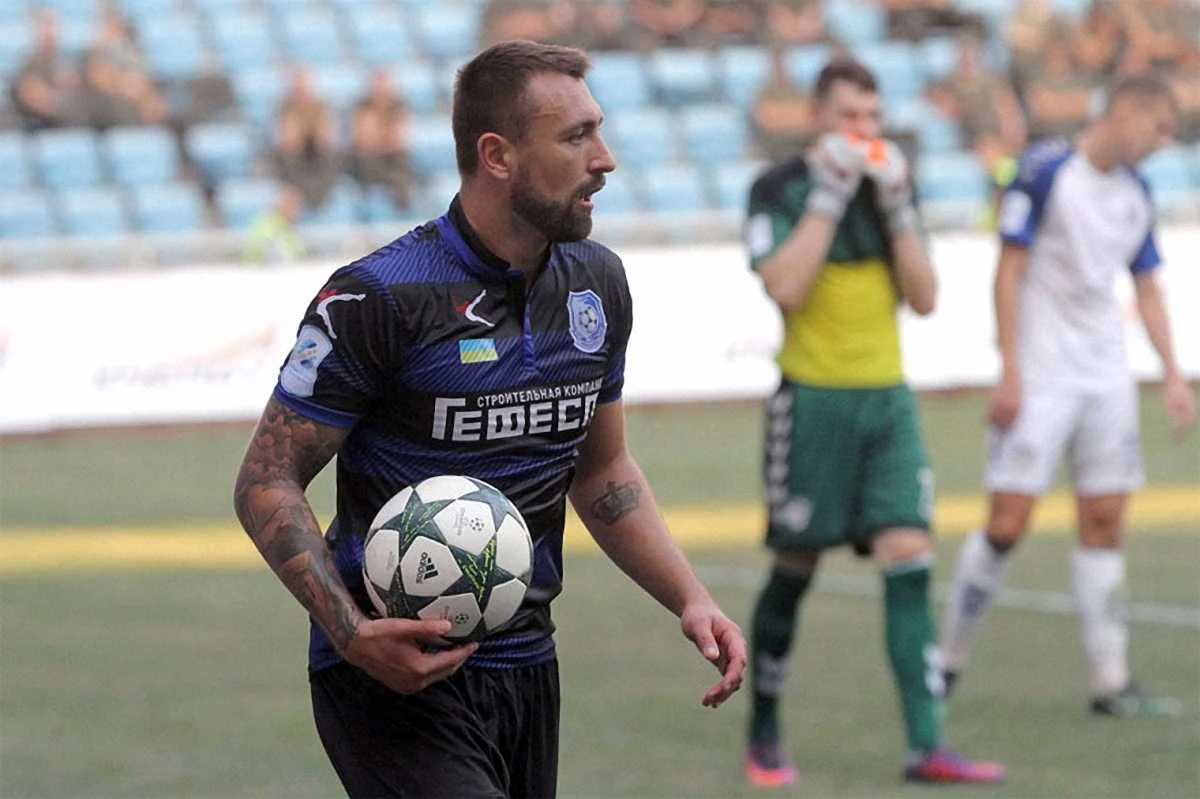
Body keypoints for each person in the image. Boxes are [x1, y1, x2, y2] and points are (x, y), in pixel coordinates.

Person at [232, 40, 746, 799]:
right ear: (497, 155)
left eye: (599, 132)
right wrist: (351, 632)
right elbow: (266, 479)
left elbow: (602, 471)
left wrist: (690, 596)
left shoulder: (598, 283)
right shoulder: (380, 296)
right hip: (388, 678)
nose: (604, 160)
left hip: (528, 664)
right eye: (576, 137)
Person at [741, 56, 1006, 787]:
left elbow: (924, 297)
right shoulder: (778, 188)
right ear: (815, 119)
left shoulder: (894, 182)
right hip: (813, 402)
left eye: (873, 118)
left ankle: (927, 744)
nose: (863, 132)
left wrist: (895, 208)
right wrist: (829, 196)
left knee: (910, 555)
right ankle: (763, 728)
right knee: (795, 567)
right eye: (848, 117)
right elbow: (786, 287)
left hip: (888, 402)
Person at [939, 73, 1196, 718]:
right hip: (1042, 374)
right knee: (1007, 523)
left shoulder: (1135, 191)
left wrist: (1172, 373)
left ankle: (1111, 681)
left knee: (1105, 521)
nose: (1164, 142)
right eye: (1160, 126)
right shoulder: (1046, 171)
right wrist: (1010, 370)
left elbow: (1146, 284)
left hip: (1105, 377)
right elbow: (1008, 271)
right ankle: (946, 660)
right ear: (1126, 112)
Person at [271, 64, 341, 209]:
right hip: (294, 157)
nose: (301, 88)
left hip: (316, 154)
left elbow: (326, 135)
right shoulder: (284, 107)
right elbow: (285, 138)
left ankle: (319, 196)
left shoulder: (321, 106)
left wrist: (316, 137)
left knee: (330, 157)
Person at [348, 69, 415, 211]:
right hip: (368, 160)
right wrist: (385, 136)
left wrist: (377, 136)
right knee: (365, 161)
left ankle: (403, 206)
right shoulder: (361, 106)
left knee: (402, 164)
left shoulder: (399, 105)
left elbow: (399, 141)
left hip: (393, 159)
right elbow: (362, 141)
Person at [242, 184, 307, 266]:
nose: (296, 208)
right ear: (279, 203)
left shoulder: (288, 227)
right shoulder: (266, 224)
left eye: (298, 204)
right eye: (291, 203)